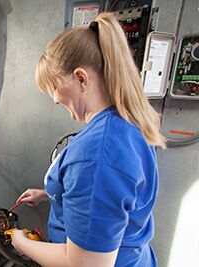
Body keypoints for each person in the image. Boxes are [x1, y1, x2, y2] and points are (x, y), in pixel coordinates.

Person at [11, 12, 166, 267]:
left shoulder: (95, 156)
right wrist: (51, 194)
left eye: (54, 87)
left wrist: (20, 242)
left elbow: (84, 264)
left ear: (81, 78)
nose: (55, 99)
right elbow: (112, 200)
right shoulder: (128, 123)